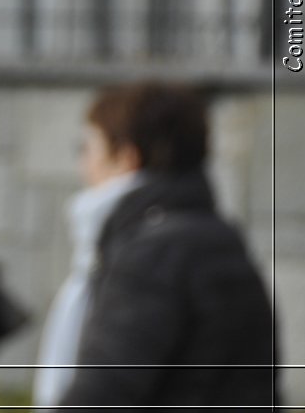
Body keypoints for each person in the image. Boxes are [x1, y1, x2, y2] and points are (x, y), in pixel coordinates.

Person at [35, 80, 278, 411]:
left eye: (86, 148)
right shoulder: (218, 236)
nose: (83, 166)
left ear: (126, 157)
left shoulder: (152, 254)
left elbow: (102, 393)